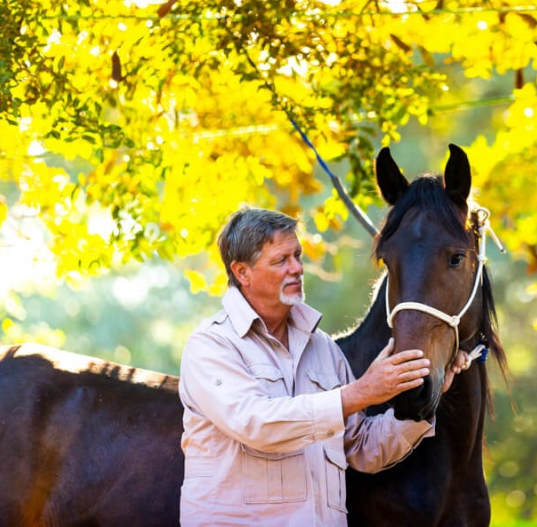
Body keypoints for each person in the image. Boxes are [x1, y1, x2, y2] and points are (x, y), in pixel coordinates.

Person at [178, 207, 468, 526]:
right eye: (281, 260)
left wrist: (425, 404)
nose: (297, 268)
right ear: (242, 272)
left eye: (298, 256)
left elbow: (362, 447)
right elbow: (254, 423)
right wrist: (360, 392)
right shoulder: (212, 344)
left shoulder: (323, 349)